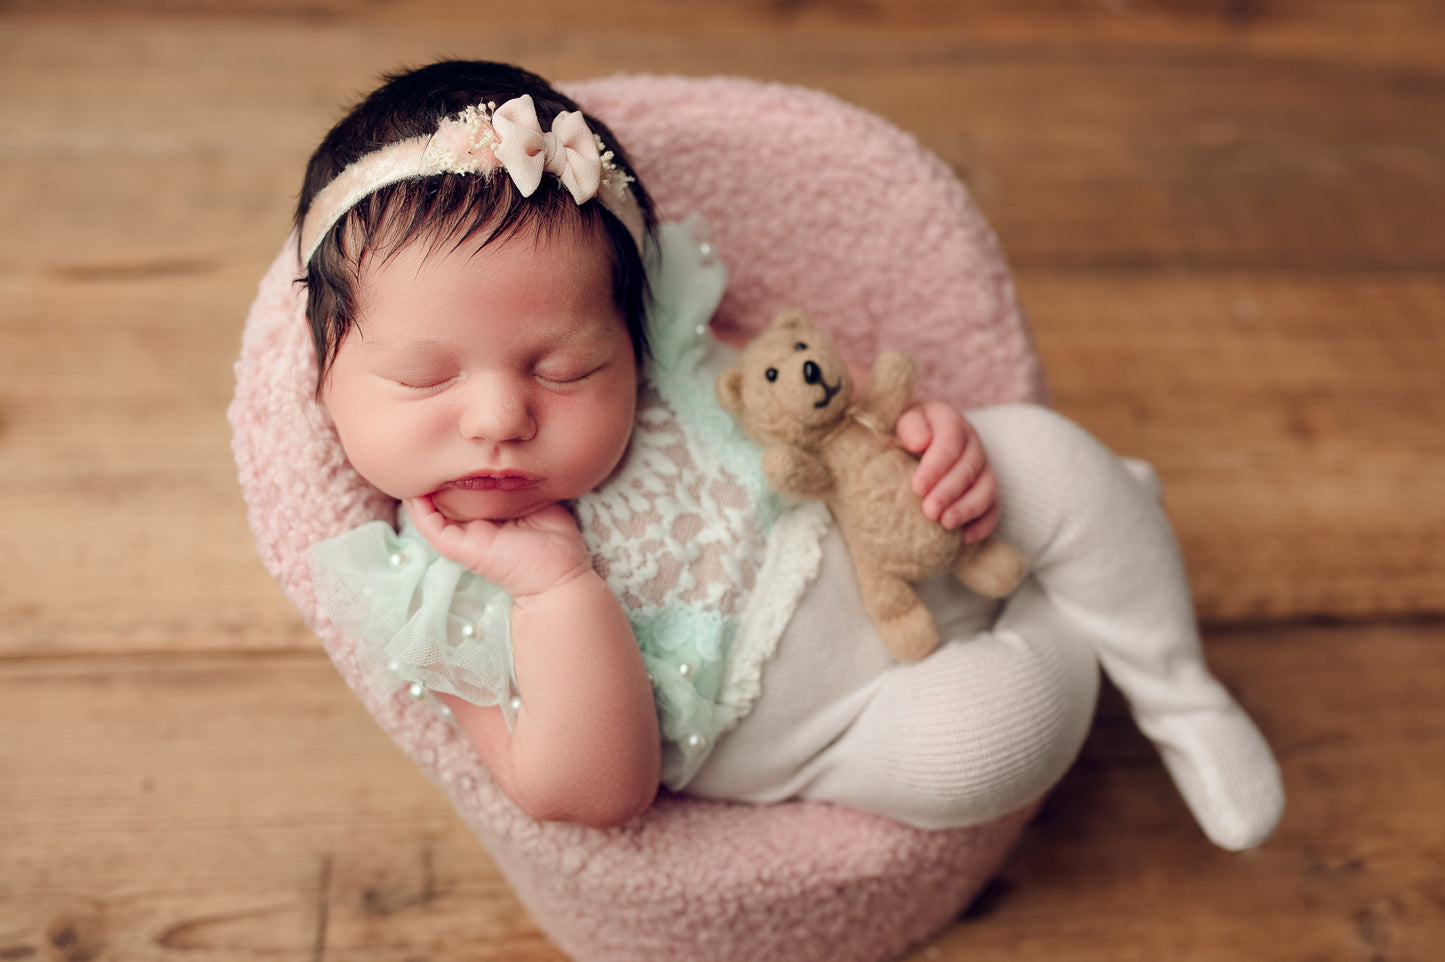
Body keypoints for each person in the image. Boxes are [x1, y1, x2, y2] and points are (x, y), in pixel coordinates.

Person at [302, 59, 1284, 849]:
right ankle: (1084, 601)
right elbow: (590, 793)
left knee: (1039, 454)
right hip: (858, 719)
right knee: (977, 752)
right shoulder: (432, 588)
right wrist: (554, 586)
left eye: (562, 367)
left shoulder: (670, 354)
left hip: (898, 522)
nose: (499, 416)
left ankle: (1176, 687)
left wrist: (922, 437)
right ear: (323, 378)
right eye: (426, 379)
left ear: (628, 339)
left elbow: (813, 387)